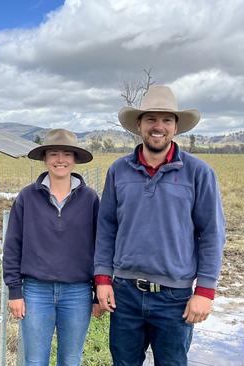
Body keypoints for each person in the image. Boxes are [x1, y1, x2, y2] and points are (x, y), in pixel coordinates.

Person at [94, 85, 226, 366]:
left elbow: (212, 234)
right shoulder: (118, 170)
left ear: (176, 126)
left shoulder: (199, 173)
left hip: (175, 298)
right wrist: (103, 278)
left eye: (166, 120)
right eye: (151, 119)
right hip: (125, 294)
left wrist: (205, 290)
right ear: (139, 125)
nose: (158, 126)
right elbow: (106, 227)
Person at [3, 128, 102, 366]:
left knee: (70, 359)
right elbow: (12, 246)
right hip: (36, 292)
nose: (60, 160)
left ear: (75, 159)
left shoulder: (90, 199)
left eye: (67, 154)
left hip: (77, 292)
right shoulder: (27, 197)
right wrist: (15, 291)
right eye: (54, 153)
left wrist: (98, 292)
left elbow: (101, 248)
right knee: (35, 360)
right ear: (45, 158)